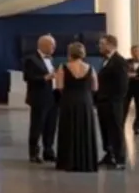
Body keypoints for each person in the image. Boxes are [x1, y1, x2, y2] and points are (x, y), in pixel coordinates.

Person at [54, 41, 99, 172]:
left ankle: (67, 162)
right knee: (85, 130)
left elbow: (59, 86)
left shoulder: (63, 67)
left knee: (68, 130)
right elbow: (95, 87)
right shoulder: (90, 68)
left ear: (70, 53)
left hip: (69, 100)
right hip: (85, 101)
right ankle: (86, 162)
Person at [23, 34, 59, 164]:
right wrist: (45, 78)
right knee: (37, 126)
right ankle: (34, 153)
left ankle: (48, 151)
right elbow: (28, 78)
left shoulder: (51, 59)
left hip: (53, 97)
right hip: (39, 98)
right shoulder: (31, 59)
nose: (54, 47)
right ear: (42, 45)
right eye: (51, 45)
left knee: (51, 126)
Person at [95, 34, 129, 169]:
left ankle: (120, 158)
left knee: (116, 130)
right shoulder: (105, 61)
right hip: (103, 102)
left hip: (113, 103)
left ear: (110, 45)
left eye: (102, 44)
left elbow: (122, 85)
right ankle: (109, 154)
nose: (100, 47)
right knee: (105, 130)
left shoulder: (119, 61)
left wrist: (113, 99)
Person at [127, 45, 139, 137]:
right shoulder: (126, 62)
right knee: (124, 107)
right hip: (128, 88)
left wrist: (135, 76)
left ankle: (136, 127)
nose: (135, 53)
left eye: (137, 51)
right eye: (134, 51)